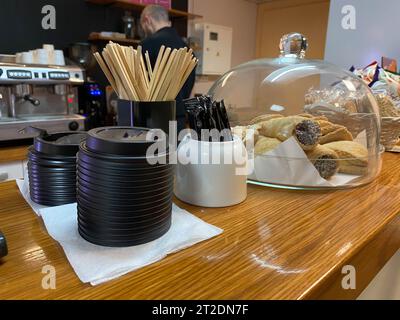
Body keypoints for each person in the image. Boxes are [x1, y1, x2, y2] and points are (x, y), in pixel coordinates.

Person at [140, 4, 196, 133]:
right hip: (179, 121)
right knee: (175, 153)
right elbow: (189, 86)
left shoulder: (146, 45)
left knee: (152, 153)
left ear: (147, 20)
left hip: (152, 121)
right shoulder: (187, 49)